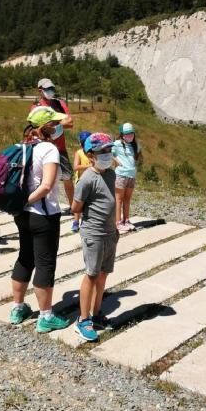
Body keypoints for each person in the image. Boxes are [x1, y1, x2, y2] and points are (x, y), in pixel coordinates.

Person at [9, 106, 70, 334]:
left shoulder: (23, 146)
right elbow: (46, 186)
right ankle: (46, 316)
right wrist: (28, 201)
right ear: (46, 127)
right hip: (43, 214)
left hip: (21, 215)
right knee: (45, 263)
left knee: (25, 257)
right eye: (54, 123)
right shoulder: (48, 150)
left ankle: (17, 308)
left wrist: (19, 205)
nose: (58, 127)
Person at [72, 133, 118, 342]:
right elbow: (76, 206)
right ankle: (83, 319)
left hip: (109, 233)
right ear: (90, 155)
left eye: (109, 150)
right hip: (94, 233)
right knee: (91, 274)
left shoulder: (110, 174)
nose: (107, 155)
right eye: (102, 152)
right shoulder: (87, 179)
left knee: (103, 274)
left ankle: (97, 313)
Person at [34, 78, 75, 213]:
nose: (50, 91)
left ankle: (73, 207)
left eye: (52, 88)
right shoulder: (36, 106)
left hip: (60, 147)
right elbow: (38, 127)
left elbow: (70, 122)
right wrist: (58, 121)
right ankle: (42, 205)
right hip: (44, 148)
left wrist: (52, 123)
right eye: (47, 89)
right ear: (40, 90)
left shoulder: (59, 103)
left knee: (68, 177)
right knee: (43, 178)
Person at [112, 122, 142, 235]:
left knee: (127, 199)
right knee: (119, 199)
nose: (129, 136)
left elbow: (138, 155)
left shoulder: (136, 145)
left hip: (131, 175)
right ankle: (117, 222)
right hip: (120, 175)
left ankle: (126, 220)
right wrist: (117, 162)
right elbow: (110, 152)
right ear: (122, 134)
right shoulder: (117, 143)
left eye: (131, 133)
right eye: (127, 134)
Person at [71, 130, 92, 233]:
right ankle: (76, 221)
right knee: (79, 201)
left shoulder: (92, 153)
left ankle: (87, 221)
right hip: (80, 181)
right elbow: (75, 167)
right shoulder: (79, 153)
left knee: (89, 202)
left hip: (91, 181)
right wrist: (88, 166)